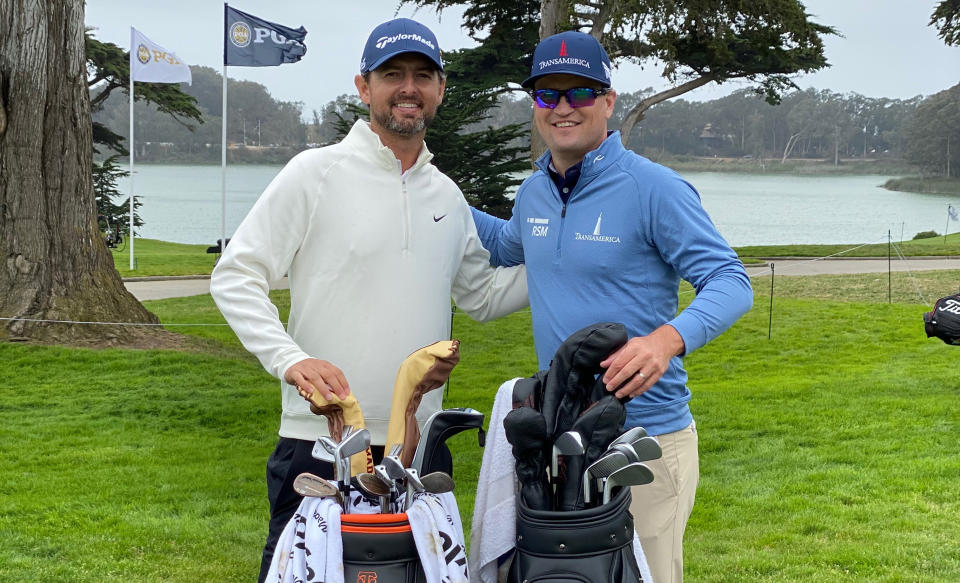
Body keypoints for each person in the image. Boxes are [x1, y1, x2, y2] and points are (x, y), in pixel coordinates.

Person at [209, 18, 528, 582]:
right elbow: (236, 275)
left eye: (422, 75)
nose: (409, 87)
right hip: (320, 443)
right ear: (364, 87)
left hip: (420, 447)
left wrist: (562, 260)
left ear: (440, 90)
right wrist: (292, 361)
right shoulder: (314, 173)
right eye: (393, 74)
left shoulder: (447, 196)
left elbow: (482, 296)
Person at [470, 31, 753, 583]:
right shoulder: (534, 192)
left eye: (579, 91)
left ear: (608, 100)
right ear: (535, 105)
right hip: (559, 435)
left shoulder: (654, 189)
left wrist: (665, 341)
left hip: (644, 442)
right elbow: (504, 245)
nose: (563, 107)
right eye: (548, 94)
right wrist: (430, 192)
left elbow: (730, 280)